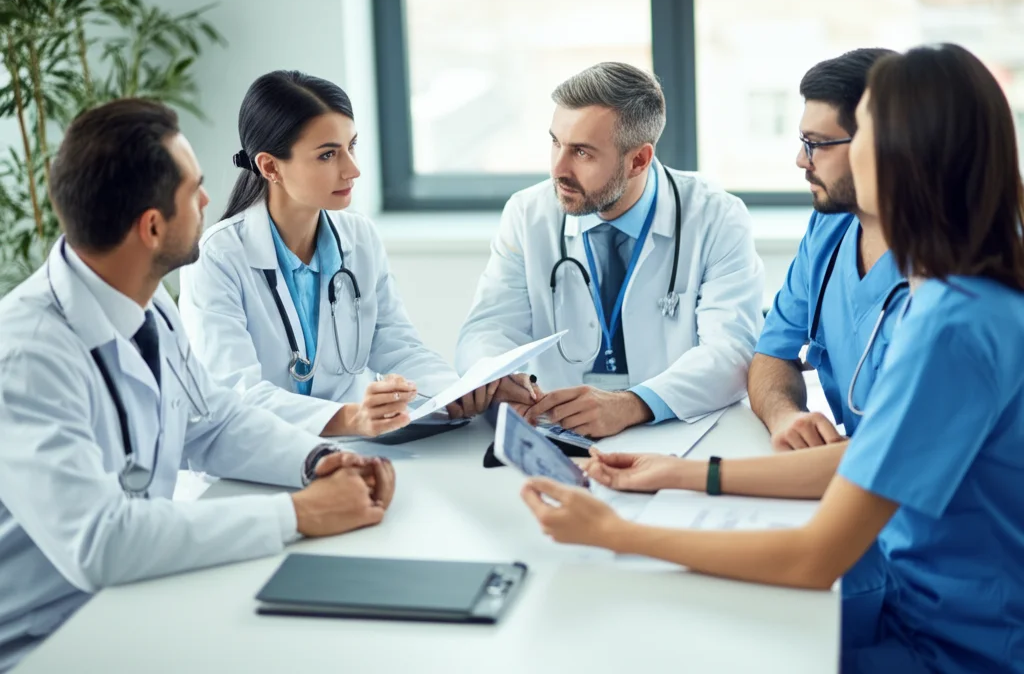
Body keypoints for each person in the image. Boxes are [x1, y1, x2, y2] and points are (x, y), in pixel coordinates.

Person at [521, 43, 1024, 673]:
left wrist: (612, 533)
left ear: (904, 154)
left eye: (846, 133)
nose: (802, 158)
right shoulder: (965, 293)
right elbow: (868, 458)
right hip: (902, 589)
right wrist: (675, 472)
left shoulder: (956, 326)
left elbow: (815, 559)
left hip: (951, 640)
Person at [0, 99, 397, 672]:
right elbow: (100, 543)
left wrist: (318, 460)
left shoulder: (143, 300)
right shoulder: (25, 354)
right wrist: (299, 513)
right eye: (195, 190)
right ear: (153, 226)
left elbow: (211, 420)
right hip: (41, 638)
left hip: (130, 600)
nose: (210, 201)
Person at [178, 71, 536, 438]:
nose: (353, 169)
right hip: (258, 459)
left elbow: (398, 346)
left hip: (350, 452)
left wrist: (463, 390)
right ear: (270, 166)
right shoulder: (218, 256)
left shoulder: (359, 237)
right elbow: (236, 393)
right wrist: (352, 418)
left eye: (352, 146)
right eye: (328, 154)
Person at [455, 62, 764, 438]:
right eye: (555, 142)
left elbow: (732, 352)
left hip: (677, 431)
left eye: (582, 153)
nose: (558, 169)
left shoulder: (716, 216)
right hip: (555, 432)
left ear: (638, 160)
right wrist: (496, 377)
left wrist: (632, 404)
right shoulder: (528, 213)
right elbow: (487, 328)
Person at [748, 48, 901, 451]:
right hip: (845, 473)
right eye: (803, 141)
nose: (801, 160)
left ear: (881, 145)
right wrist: (785, 416)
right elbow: (770, 354)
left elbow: (894, 451)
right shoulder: (830, 227)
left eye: (818, 143)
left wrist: (697, 475)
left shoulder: (952, 271)